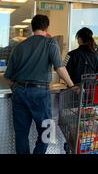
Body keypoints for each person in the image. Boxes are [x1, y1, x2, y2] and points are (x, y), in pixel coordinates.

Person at [4, 14, 75, 154]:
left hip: (19, 92)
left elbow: (8, 76)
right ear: (46, 27)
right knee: (47, 131)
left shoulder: (19, 47)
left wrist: (17, 87)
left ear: (32, 27)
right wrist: (72, 85)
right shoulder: (50, 43)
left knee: (21, 133)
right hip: (39, 93)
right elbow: (60, 67)